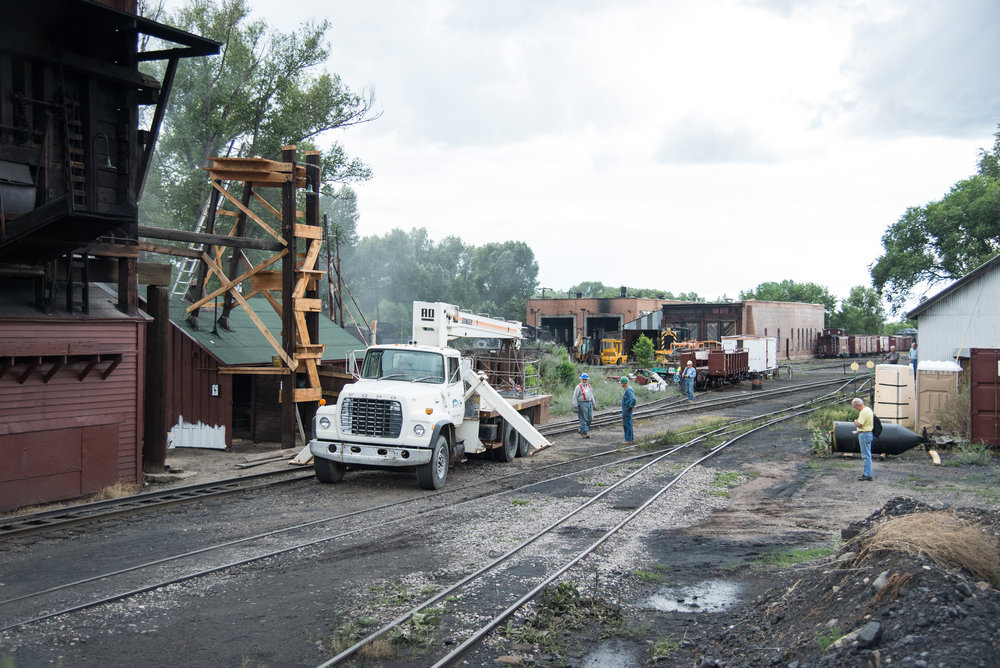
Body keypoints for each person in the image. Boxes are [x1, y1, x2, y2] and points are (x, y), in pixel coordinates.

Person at [852, 397, 874, 481]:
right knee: (868, 454)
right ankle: (868, 473)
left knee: (865, 455)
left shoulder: (863, 412)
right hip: (869, 433)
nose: (855, 409)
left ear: (857, 405)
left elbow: (859, 424)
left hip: (864, 435)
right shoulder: (868, 409)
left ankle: (867, 474)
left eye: (854, 407)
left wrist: (855, 421)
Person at [572, 372, 596, 438]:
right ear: (581, 379)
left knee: (590, 418)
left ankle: (582, 429)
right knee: (584, 418)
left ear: (587, 380)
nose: (584, 381)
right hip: (582, 403)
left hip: (589, 403)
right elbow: (575, 397)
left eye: (586, 379)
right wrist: (576, 406)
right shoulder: (578, 387)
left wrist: (593, 403)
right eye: (583, 379)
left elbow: (591, 395)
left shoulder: (589, 386)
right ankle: (585, 433)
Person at [620, 375, 636, 444]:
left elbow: (633, 399)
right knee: (628, 423)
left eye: (621, 383)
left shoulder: (628, 390)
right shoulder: (629, 389)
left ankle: (628, 440)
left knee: (627, 424)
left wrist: (630, 407)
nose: (620, 384)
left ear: (624, 383)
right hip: (627, 409)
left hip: (627, 409)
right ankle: (630, 439)